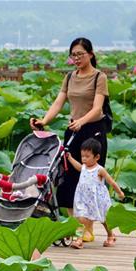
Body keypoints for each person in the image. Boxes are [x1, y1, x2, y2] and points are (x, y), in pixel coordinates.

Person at [29, 37, 109, 223]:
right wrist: (44, 120)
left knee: (89, 180)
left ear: (90, 54)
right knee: (68, 178)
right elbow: (59, 102)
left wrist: (81, 121)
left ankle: (88, 226)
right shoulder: (69, 77)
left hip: (93, 133)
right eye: (73, 55)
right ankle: (76, 225)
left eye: (80, 54)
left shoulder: (99, 77)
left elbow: (98, 108)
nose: (77, 58)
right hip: (73, 131)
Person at [65, 138, 124, 248]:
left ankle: (110, 235)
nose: (84, 159)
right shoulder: (84, 168)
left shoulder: (100, 170)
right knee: (81, 218)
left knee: (104, 220)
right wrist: (70, 158)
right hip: (83, 199)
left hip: (98, 200)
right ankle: (79, 240)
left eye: (87, 157)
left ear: (96, 157)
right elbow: (78, 167)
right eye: (82, 156)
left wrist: (119, 192)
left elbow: (111, 181)